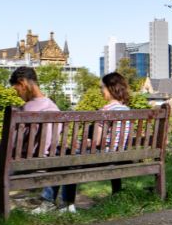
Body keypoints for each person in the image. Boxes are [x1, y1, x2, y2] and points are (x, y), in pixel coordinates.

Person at [0, 66, 59, 213]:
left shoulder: (24, 111)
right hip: (44, 165)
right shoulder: (55, 109)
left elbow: (9, 147)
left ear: (23, 83)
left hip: (18, 166)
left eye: (17, 90)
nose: (18, 95)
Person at [41, 72, 131, 213]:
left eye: (102, 87)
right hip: (120, 156)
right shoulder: (127, 110)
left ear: (110, 88)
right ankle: (58, 203)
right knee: (66, 156)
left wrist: (84, 143)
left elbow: (98, 141)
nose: (101, 91)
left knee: (63, 157)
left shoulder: (105, 111)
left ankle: (59, 203)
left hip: (103, 156)